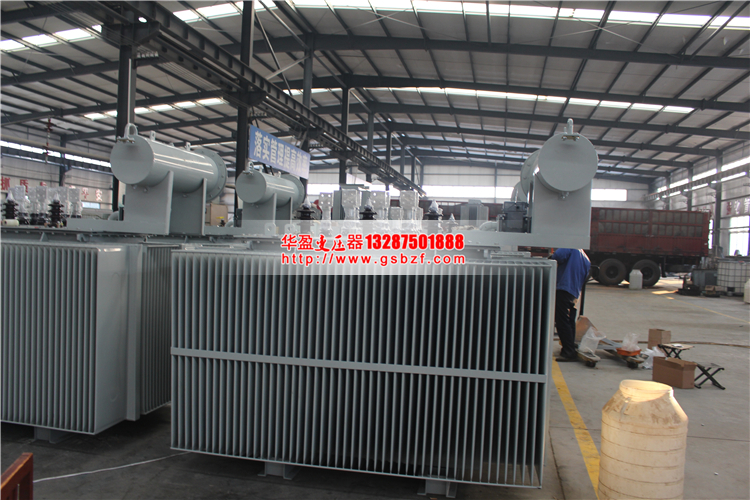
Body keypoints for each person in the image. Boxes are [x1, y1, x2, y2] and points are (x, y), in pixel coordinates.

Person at [549, 248, 591, 362]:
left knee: (562, 321)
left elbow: (557, 256)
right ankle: (569, 348)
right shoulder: (585, 258)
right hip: (574, 293)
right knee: (569, 321)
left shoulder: (570, 247)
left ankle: (568, 352)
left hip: (564, 288)